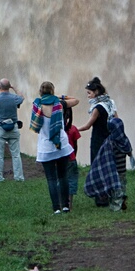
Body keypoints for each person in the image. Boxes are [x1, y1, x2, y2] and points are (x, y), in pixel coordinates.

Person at [29, 81, 79, 214]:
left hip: (46, 146)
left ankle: (56, 208)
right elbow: (76, 100)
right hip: (61, 144)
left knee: (51, 178)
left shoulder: (37, 105)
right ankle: (66, 206)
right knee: (63, 176)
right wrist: (61, 97)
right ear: (52, 91)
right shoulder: (59, 104)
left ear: (40, 91)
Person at [77, 76, 118, 206]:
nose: (88, 96)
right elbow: (117, 120)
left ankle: (101, 198)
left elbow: (88, 126)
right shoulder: (110, 103)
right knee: (109, 167)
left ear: (95, 92)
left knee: (97, 167)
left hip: (98, 140)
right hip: (110, 139)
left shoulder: (97, 108)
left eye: (89, 93)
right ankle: (113, 195)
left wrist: (72, 130)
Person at [84, 117, 135, 211]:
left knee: (115, 189)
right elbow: (129, 151)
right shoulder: (124, 140)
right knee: (121, 187)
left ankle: (116, 207)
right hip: (122, 170)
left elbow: (104, 155)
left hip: (113, 171)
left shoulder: (110, 141)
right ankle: (121, 201)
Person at [62, 101, 81, 211]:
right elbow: (76, 146)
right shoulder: (73, 129)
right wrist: (74, 156)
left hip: (59, 159)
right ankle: (70, 204)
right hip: (71, 158)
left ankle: (60, 203)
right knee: (72, 180)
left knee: (60, 179)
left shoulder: (57, 129)